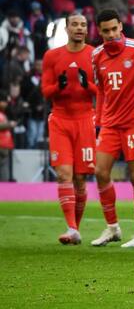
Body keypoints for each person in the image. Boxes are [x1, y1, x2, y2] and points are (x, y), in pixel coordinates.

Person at [90, 9, 134, 248]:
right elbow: (100, 90)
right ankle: (112, 228)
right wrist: (99, 121)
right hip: (110, 125)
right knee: (100, 172)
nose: (111, 34)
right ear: (99, 32)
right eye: (105, 31)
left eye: (114, 29)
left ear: (121, 26)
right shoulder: (97, 56)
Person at [41, 14, 97, 245]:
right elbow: (45, 91)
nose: (79, 28)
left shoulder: (95, 55)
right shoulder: (52, 56)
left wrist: (88, 85)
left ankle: (76, 227)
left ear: (87, 29)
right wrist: (58, 87)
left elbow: (102, 92)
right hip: (60, 121)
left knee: (80, 179)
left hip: (85, 120)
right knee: (64, 174)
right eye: (74, 24)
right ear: (66, 28)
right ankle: (72, 227)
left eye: (83, 25)